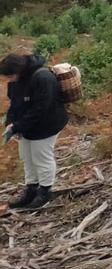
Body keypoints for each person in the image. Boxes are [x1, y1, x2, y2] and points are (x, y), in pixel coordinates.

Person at [2, 52, 69, 210]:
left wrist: (18, 126)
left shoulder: (43, 78)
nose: (8, 80)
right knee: (27, 157)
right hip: (27, 126)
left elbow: (40, 109)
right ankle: (31, 190)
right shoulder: (16, 81)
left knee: (41, 157)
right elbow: (14, 104)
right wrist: (11, 123)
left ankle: (45, 192)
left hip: (47, 124)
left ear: (18, 70)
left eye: (10, 76)